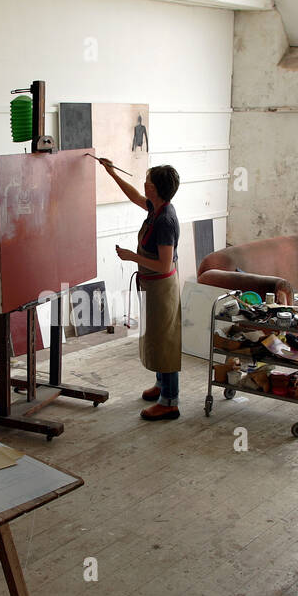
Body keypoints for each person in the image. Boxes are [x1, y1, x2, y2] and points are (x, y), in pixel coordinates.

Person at [97, 158, 182, 421]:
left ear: (155, 189)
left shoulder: (165, 220)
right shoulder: (155, 208)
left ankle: (170, 401)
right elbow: (133, 195)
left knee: (165, 342)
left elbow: (164, 263)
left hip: (162, 287)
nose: (143, 184)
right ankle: (161, 385)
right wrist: (111, 172)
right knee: (156, 338)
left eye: (147, 181)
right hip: (152, 284)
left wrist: (132, 257)